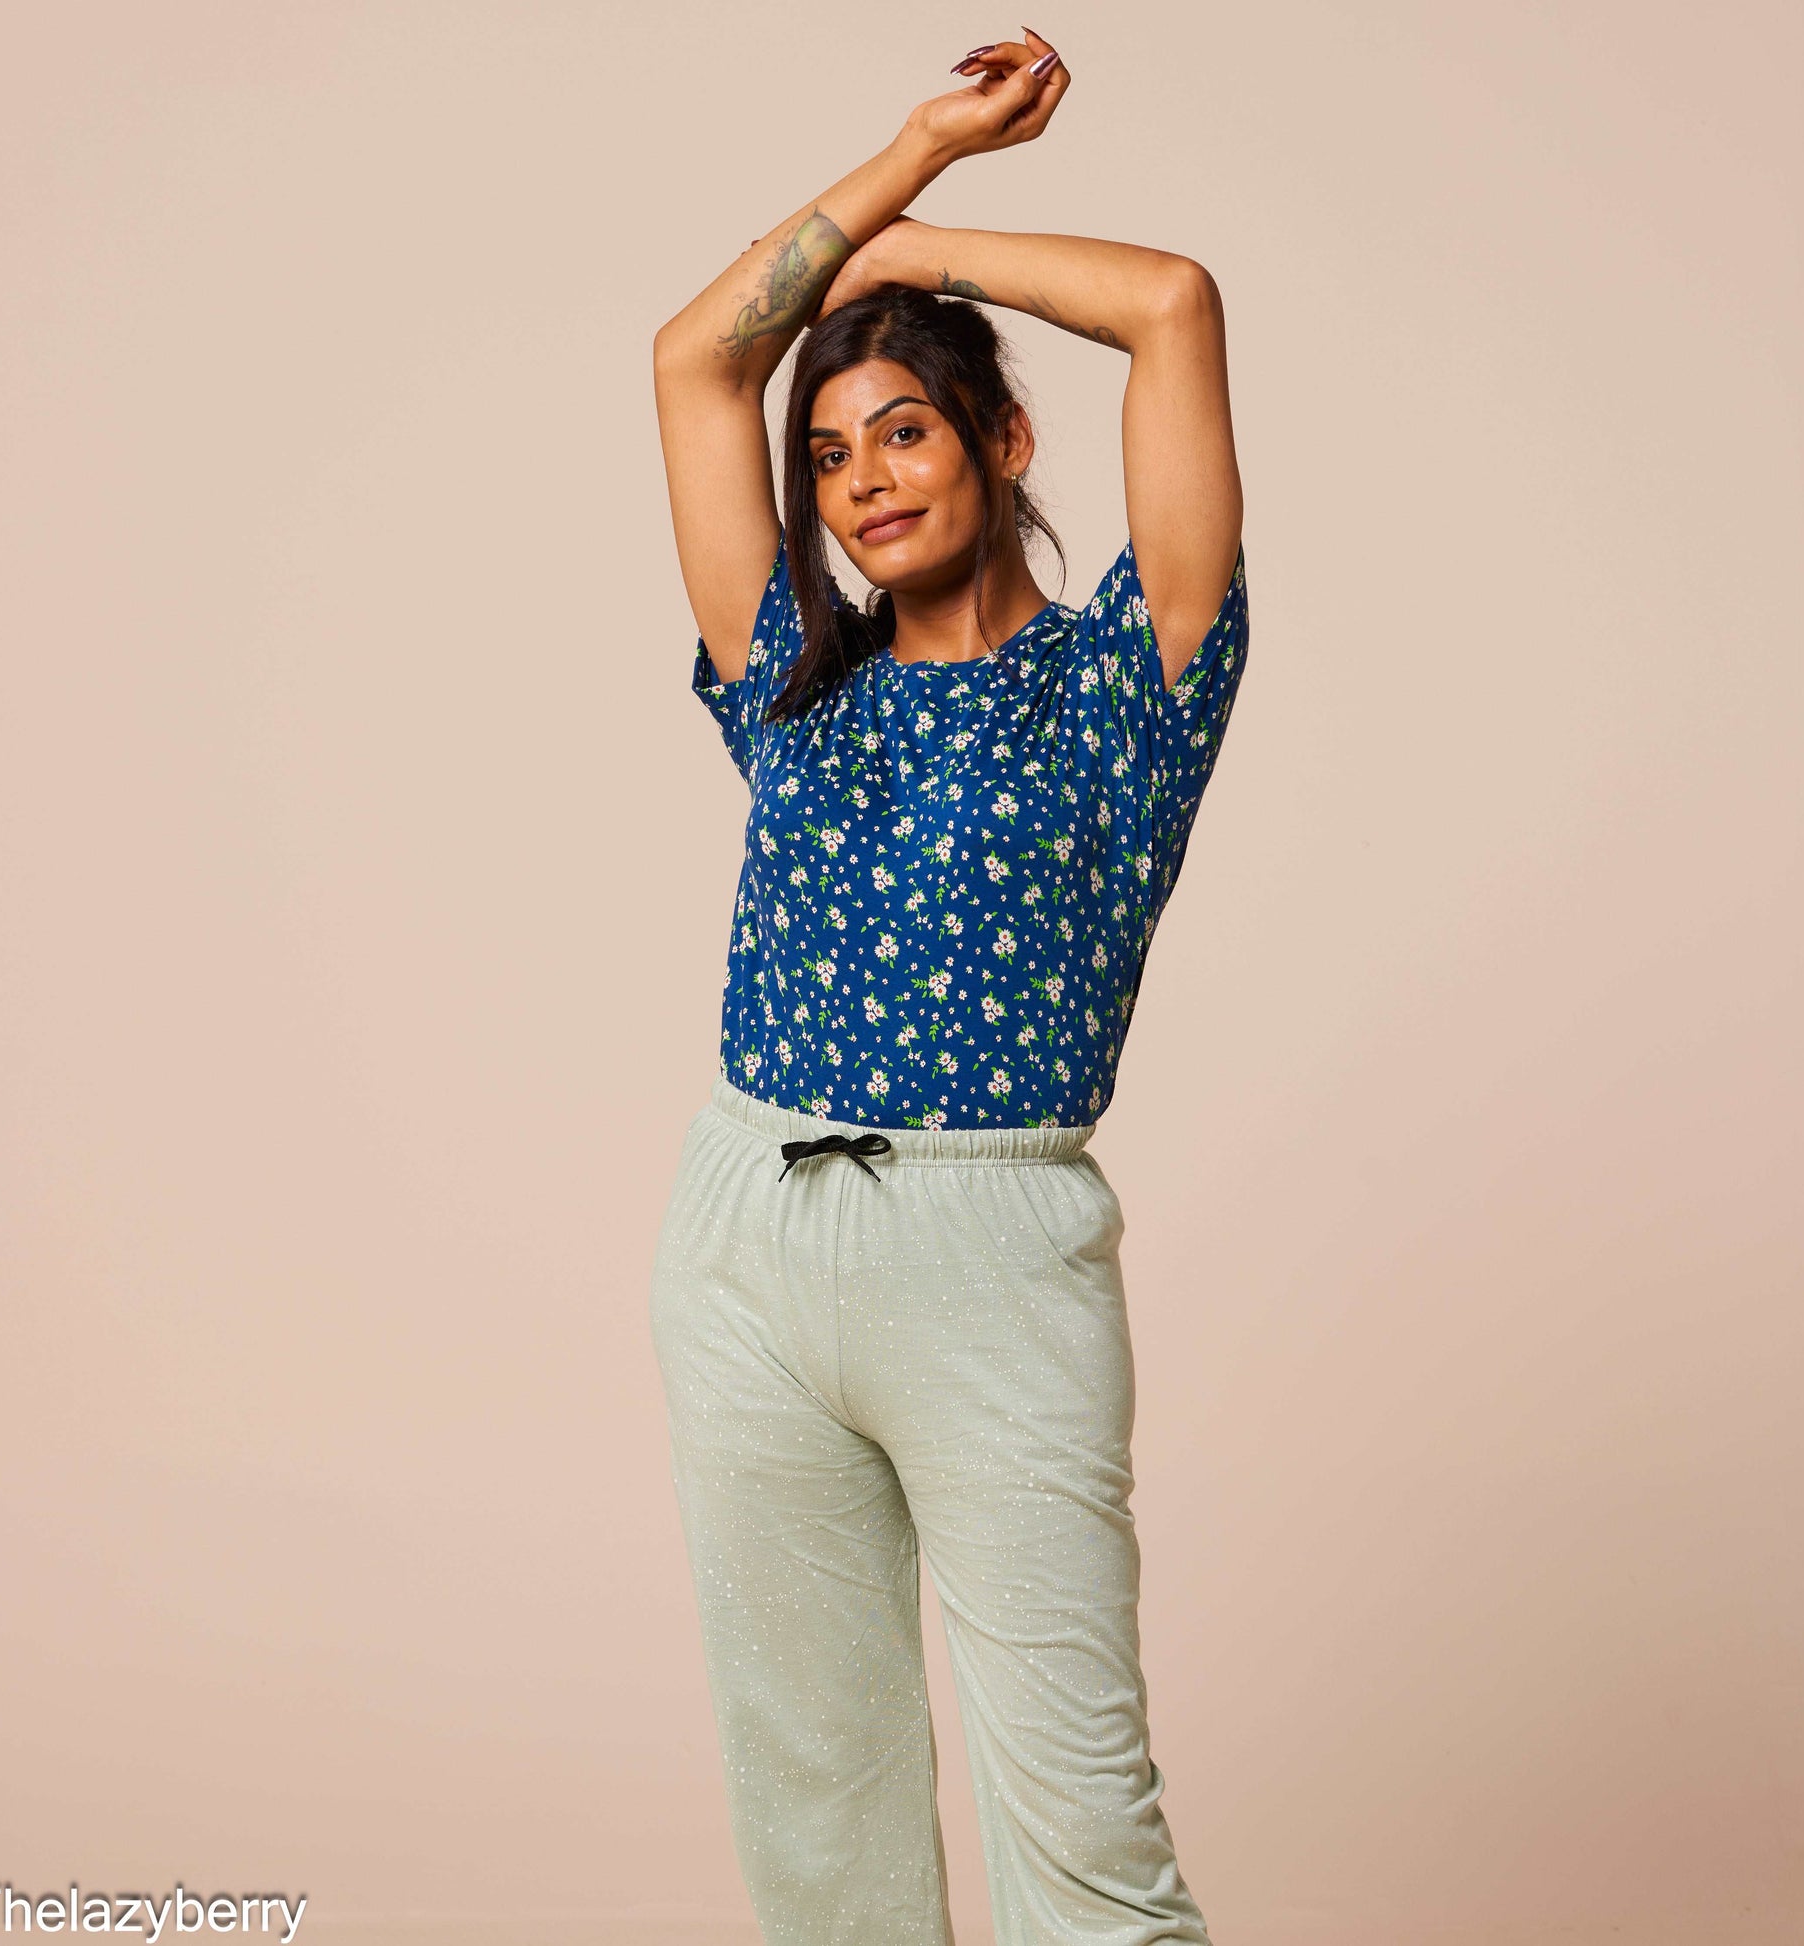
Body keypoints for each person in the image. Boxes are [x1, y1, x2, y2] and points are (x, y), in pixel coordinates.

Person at [648, 28, 1248, 1944]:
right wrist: (896, 147)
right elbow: (692, 363)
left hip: (993, 1255)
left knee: (1084, 1841)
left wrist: (927, 245)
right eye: (825, 453)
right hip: (745, 1230)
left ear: (1000, 440)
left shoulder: (1124, 684)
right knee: (816, 1825)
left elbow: (1169, 306)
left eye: (900, 428)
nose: (854, 481)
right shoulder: (788, 676)